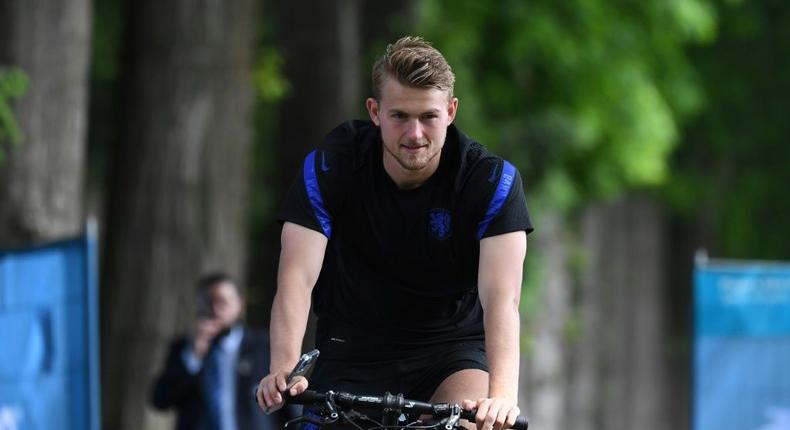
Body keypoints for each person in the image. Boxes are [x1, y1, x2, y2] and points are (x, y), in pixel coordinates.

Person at [256, 36, 533, 430]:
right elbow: (296, 278)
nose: (415, 134)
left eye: (429, 117)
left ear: (452, 112)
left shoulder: (489, 181)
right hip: (351, 349)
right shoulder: (332, 166)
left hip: (450, 353)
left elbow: (502, 299)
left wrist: (502, 398)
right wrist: (284, 369)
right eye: (399, 115)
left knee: (471, 424)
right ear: (375, 111)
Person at [152, 272, 298, 430]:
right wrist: (193, 358)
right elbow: (160, 401)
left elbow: (289, 404)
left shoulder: (263, 347)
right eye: (207, 302)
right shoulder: (184, 348)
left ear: (240, 304)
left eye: (222, 302)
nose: (214, 309)